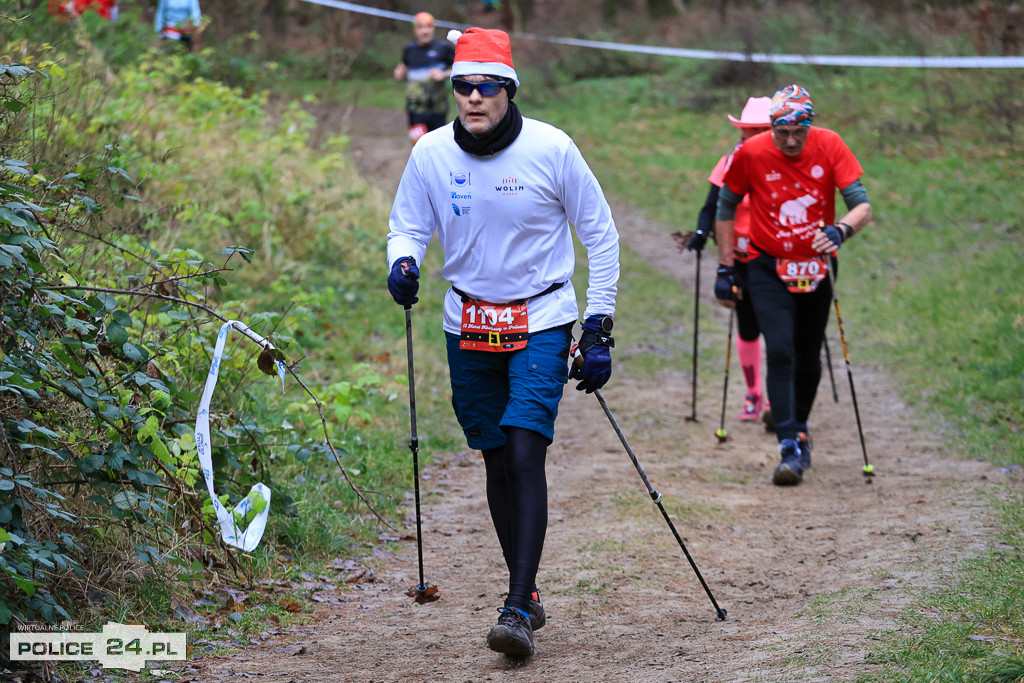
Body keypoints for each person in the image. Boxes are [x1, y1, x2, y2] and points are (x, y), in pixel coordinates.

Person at [386, 27, 620, 657]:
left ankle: (516, 606)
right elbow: (406, 225)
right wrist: (403, 262)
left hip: (541, 318)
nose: (472, 98)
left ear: (509, 91)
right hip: (467, 323)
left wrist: (597, 326)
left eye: (486, 87)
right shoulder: (431, 155)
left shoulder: (552, 148)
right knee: (494, 456)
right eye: (463, 86)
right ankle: (531, 592)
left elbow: (600, 235)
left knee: (524, 450)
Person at [712, 84, 872, 486]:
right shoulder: (751, 152)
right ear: (771, 127)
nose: (789, 140)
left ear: (809, 126)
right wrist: (726, 267)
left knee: (807, 354)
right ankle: (787, 444)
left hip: (817, 266)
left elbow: (862, 206)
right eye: (781, 131)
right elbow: (725, 205)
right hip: (767, 265)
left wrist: (840, 231)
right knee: (779, 348)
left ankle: (799, 425)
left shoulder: (831, 145)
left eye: (798, 131)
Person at [688, 96, 772, 425]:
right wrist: (699, 231)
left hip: (773, 258)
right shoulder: (730, 161)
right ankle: (754, 394)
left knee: (779, 331)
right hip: (739, 258)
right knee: (748, 327)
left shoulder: (783, 167)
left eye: (756, 130)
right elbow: (711, 205)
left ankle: (782, 403)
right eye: (745, 130)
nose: (747, 136)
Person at [393, 12, 456, 145]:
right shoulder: (409, 49)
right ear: (415, 30)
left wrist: (443, 74)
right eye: (420, 27)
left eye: (428, 26)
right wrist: (400, 72)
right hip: (414, 109)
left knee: (437, 146)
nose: (425, 31)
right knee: (417, 145)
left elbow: (461, 68)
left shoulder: (443, 48)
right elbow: (403, 65)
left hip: (437, 108)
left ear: (433, 28)